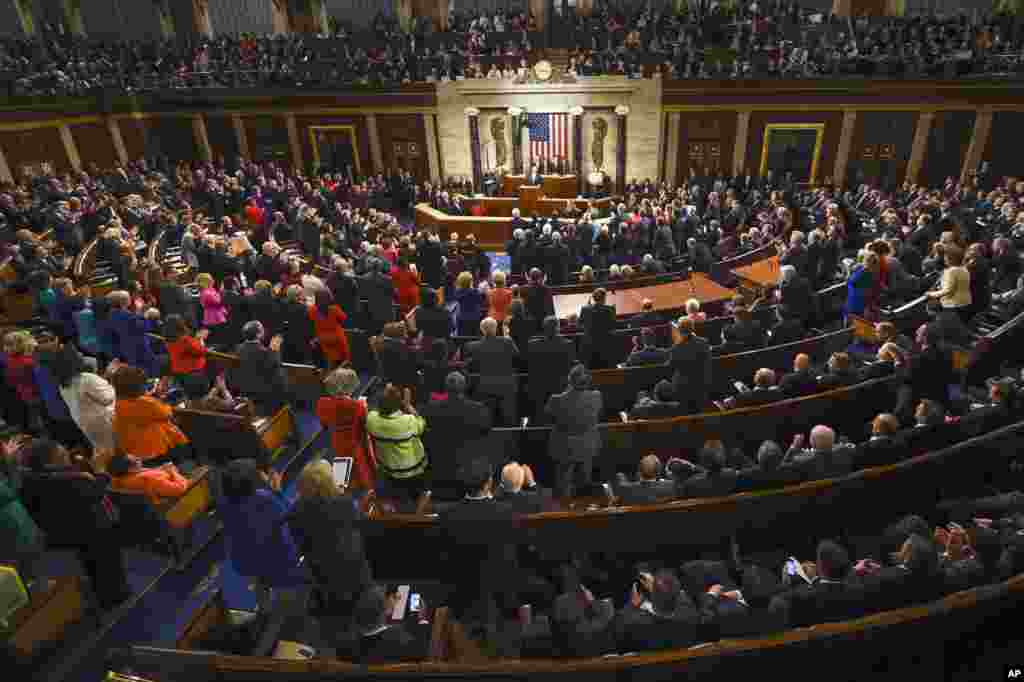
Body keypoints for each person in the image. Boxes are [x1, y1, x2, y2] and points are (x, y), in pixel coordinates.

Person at [19, 439, 132, 609]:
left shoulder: (29, 481)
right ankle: (116, 595)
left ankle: (101, 593)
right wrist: (101, 471)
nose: (66, 455)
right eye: (62, 454)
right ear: (50, 460)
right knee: (106, 556)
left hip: (59, 533)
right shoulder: (67, 479)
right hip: (89, 530)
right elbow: (96, 491)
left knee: (92, 560)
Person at [218, 458, 307, 629]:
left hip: (244, 562)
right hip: (279, 560)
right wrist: (277, 491)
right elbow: (290, 514)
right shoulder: (265, 499)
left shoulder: (224, 504)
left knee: (260, 575)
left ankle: (264, 611)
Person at [287, 460, 372, 622]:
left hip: (321, 571)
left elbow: (299, 544)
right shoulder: (345, 503)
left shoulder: (296, 511)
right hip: (353, 567)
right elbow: (360, 526)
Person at [419, 372, 492, 499]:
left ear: (445, 388)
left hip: (440, 469)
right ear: (464, 387)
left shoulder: (431, 409)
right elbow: (486, 430)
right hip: (470, 469)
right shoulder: (479, 409)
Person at [768, 540, 864, 628]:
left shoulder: (801, 601)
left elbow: (777, 605)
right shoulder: (860, 594)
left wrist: (788, 583)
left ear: (820, 569)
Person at [111, 365, 190, 465]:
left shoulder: (118, 403)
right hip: (155, 452)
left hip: (133, 451)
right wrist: (158, 400)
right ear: (138, 386)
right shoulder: (146, 403)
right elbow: (167, 413)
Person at [546, 364, 603, 498]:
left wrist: (568, 391)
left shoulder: (556, 399)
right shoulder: (596, 397)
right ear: (588, 381)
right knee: (584, 481)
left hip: (564, 447)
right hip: (587, 445)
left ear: (569, 380)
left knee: (562, 484)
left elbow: (548, 415)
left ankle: (564, 503)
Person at [612, 568, 699, 653]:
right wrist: (658, 588)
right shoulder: (691, 617)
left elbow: (617, 630)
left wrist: (631, 606)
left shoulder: (637, 626)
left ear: (652, 596)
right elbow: (684, 601)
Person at [342, 582, 431, 663]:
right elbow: (423, 655)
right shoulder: (400, 641)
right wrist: (422, 619)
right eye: (393, 597)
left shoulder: (347, 649)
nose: (396, 602)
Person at [316, 368, 374, 492]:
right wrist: (365, 407)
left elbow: (324, 424)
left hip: (337, 442)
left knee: (341, 475)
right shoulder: (358, 405)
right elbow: (365, 425)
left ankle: (343, 487)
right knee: (360, 470)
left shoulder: (322, 403)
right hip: (355, 442)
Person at [367, 384, 428, 501]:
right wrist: (408, 406)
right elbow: (422, 424)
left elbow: (375, 411)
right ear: (398, 404)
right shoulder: (408, 421)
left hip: (388, 469)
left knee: (396, 498)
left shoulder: (371, 419)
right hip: (412, 470)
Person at [465, 317, 520, 426]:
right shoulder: (507, 342)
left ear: (482, 330)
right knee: (509, 423)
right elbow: (517, 358)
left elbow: (470, 366)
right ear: (495, 329)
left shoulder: (472, 347)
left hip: (485, 388)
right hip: (507, 387)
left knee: (488, 422)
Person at [526, 315, 577, 422]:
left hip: (539, 389)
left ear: (544, 328)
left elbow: (530, 365)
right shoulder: (568, 344)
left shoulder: (532, 345)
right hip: (561, 388)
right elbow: (571, 366)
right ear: (558, 328)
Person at [234, 321, 289, 415]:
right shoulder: (264, 352)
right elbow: (275, 370)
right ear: (259, 335)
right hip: (263, 394)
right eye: (262, 330)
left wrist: (271, 351)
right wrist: (275, 351)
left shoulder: (238, 349)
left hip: (245, 389)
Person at [107, 452, 196, 502]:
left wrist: (162, 469)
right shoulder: (148, 479)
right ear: (130, 469)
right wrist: (172, 471)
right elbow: (179, 489)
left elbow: (147, 474)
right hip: (177, 501)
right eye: (136, 460)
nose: (139, 458)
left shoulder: (122, 479)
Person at [668, 317, 712, 415]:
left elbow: (670, 367)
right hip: (702, 385)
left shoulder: (676, 348)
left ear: (679, 330)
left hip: (682, 389)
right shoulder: (704, 342)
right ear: (692, 328)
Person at [781, 425, 853, 481]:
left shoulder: (801, 461)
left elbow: (782, 470)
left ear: (812, 443)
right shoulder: (845, 452)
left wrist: (794, 447)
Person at [926, 246, 972, 323]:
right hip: (965, 303)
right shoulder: (964, 268)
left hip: (953, 305)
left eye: (946, 257)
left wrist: (931, 294)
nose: (944, 258)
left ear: (952, 258)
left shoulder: (951, 271)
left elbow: (948, 290)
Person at [309, 289, 350, 368]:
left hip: (322, 341)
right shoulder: (335, 309)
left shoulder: (312, 310)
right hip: (337, 342)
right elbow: (345, 320)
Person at [579, 287, 617, 369]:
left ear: (593, 298)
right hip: (606, 347)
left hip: (589, 347)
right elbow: (613, 326)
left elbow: (580, 324)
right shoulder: (610, 309)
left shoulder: (585, 309)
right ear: (604, 298)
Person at [164, 314, 210, 379]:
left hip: (178, 371)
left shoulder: (167, 339)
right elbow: (202, 351)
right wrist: (201, 339)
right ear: (180, 325)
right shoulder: (185, 340)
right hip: (192, 372)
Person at [845, 252, 881, 321]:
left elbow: (849, 281)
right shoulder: (868, 274)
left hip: (852, 304)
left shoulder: (859, 269)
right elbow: (868, 292)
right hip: (859, 306)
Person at [196, 273, 229, 346]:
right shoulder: (206, 293)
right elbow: (219, 302)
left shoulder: (209, 290)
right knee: (219, 338)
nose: (213, 280)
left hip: (217, 315)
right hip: (214, 317)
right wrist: (222, 291)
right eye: (211, 279)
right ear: (206, 281)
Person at [452, 271, 485, 337]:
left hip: (461, 318)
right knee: (474, 338)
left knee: (462, 338)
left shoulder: (457, 292)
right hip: (475, 318)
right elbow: (481, 301)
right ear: (470, 281)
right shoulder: (476, 292)